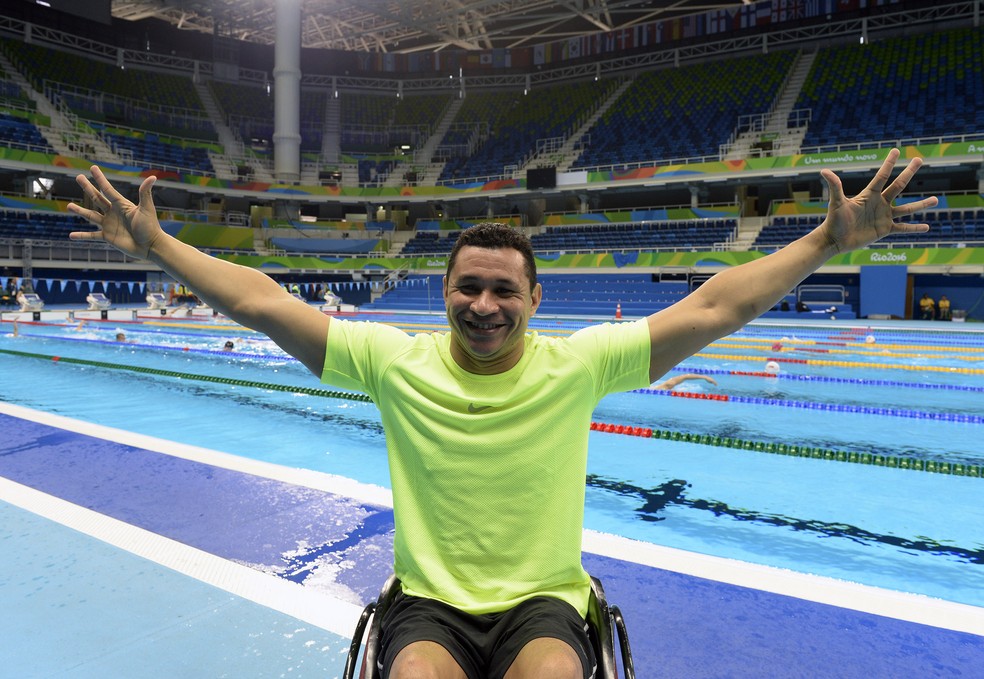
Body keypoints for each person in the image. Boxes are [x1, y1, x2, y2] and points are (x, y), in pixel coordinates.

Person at [66, 150, 936, 678]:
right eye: (468, 287)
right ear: (443, 292)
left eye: (503, 289)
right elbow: (261, 302)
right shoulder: (389, 357)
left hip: (543, 604)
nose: (484, 304)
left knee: (556, 671)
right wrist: (159, 246)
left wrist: (826, 241)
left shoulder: (580, 362)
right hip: (430, 604)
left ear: (535, 298)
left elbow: (715, 308)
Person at [653, 373, 718, 391]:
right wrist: (704, 377)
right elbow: (684, 377)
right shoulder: (663, 388)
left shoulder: (663, 387)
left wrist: (704, 377)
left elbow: (684, 377)